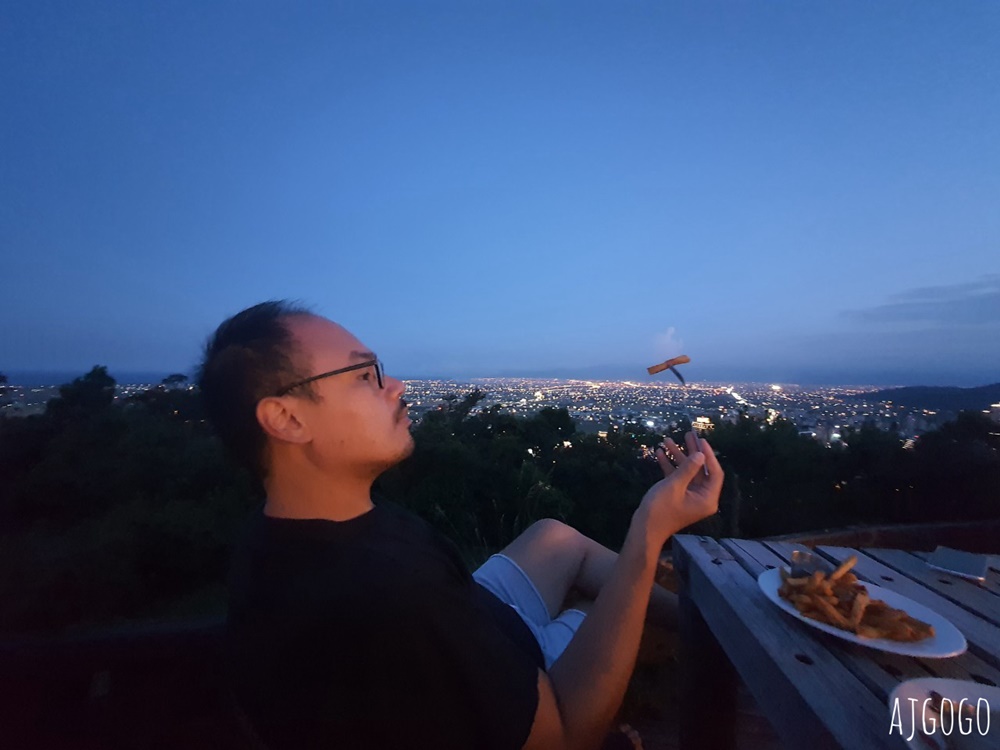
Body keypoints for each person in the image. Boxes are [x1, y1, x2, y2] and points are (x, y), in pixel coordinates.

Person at [198, 300, 724, 750]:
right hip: (519, 679)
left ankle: (703, 622)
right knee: (601, 602)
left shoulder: (280, 535)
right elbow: (564, 736)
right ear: (287, 419)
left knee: (554, 536)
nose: (396, 386)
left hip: (478, 617)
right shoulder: (394, 600)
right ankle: (720, 632)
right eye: (364, 376)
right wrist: (649, 531)